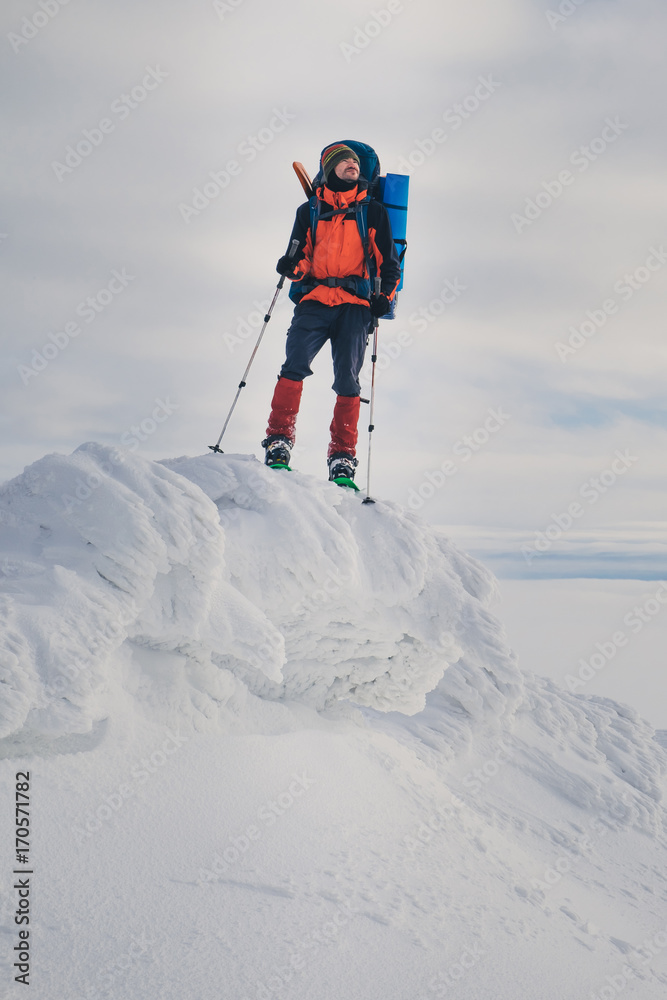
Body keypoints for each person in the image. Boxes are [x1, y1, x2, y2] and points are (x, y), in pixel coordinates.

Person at [262, 142, 401, 485]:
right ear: (329, 170)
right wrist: (290, 267)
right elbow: (301, 261)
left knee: (347, 381)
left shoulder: (373, 212)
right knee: (294, 364)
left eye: (355, 161)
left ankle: (343, 457)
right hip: (315, 301)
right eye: (343, 161)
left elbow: (389, 266)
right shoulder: (308, 210)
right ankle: (279, 438)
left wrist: (384, 297)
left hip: (355, 307)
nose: (352, 164)